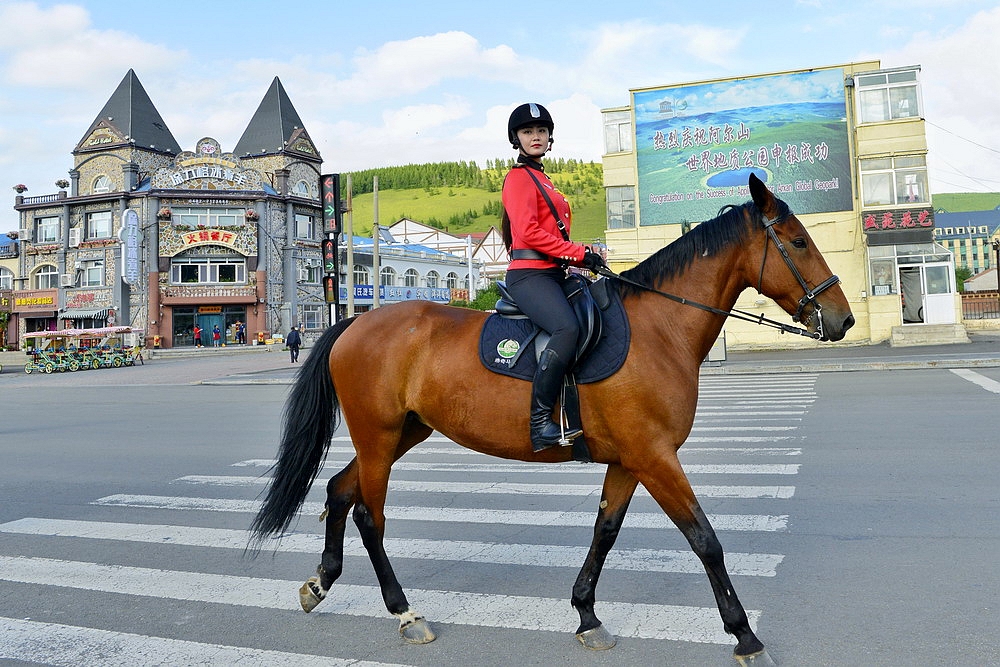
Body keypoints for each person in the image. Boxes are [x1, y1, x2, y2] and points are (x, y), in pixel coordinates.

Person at [501, 102, 606, 452]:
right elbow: (528, 233)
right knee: (566, 328)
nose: (536, 136)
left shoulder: (545, 180)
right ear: (516, 138)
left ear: (549, 138)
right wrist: (579, 253)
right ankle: (540, 423)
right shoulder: (518, 178)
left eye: (541, 131)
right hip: (529, 275)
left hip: (553, 272)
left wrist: (584, 258)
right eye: (528, 132)